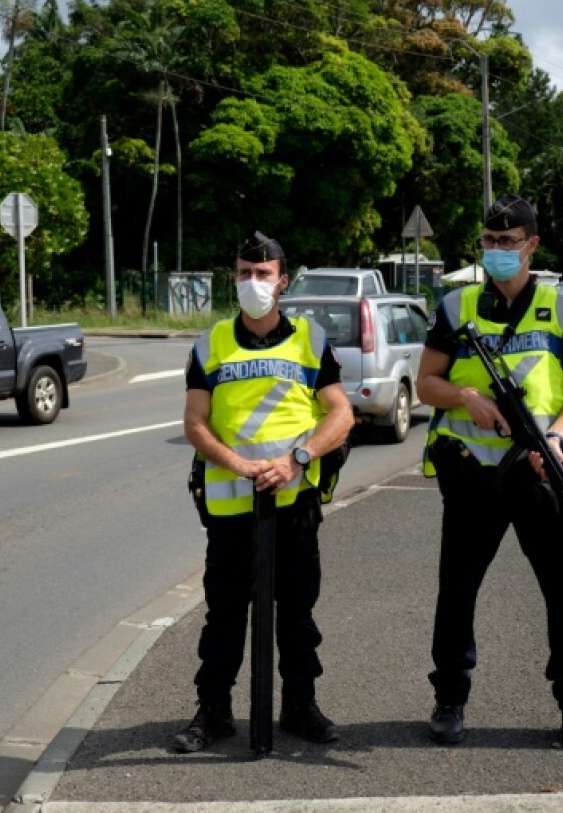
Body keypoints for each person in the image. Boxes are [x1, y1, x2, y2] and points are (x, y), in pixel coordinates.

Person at [415, 195, 563, 756]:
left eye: (508, 241)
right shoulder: (454, 309)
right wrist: (464, 397)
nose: (498, 250)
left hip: (537, 468)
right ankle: (449, 700)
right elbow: (426, 383)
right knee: (457, 591)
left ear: (532, 245)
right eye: (489, 241)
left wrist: (558, 435)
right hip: (471, 473)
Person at [174, 231, 355, 753]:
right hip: (231, 507)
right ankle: (213, 713)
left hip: (294, 505)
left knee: (297, 615)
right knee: (224, 617)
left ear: (283, 280)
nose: (252, 283)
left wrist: (296, 459)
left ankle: (300, 706)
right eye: (244, 274)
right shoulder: (209, 345)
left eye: (263, 274)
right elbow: (194, 422)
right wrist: (239, 464)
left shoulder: (311, 340)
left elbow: (340, 414)